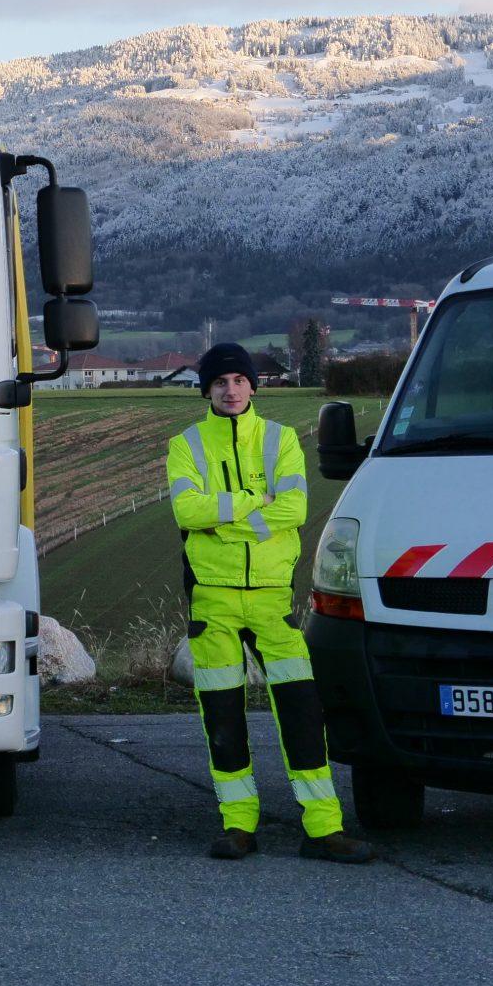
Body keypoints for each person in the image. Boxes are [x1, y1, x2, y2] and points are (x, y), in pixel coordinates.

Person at [167, 343, 373, 864]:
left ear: (253, 386)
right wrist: (254, 503)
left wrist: (224, 516)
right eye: (220, 382)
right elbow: (187, 511)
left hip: (271, 599)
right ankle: (238, 826)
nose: (230, 390)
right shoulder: (185, 445)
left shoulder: (281, 440)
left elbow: (296, 508)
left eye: (238, 380)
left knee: (303, 711)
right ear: (206, 391)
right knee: (223, 716)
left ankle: (323, 829)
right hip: (212, 600)